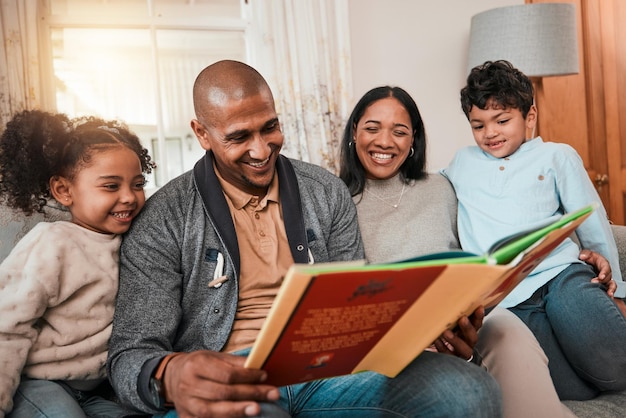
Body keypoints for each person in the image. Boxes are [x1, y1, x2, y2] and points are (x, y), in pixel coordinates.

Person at [106, 59, 503, 418]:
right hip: (233, 381)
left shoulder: (327, 192)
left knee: (470, 391)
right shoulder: (163, 219)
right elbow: (128, 355)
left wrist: (426, 329)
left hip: (330, 373)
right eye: (239, 137)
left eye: (270, 128)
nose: (262, 150)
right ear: (202, 133)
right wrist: (169, 374)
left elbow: (356, 316)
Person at [338, 85, 613, 417]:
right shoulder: (335, 202)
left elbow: (500, 213)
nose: (384, 141)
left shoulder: (442, 186)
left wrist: (588, 249)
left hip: (470, 318)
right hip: (399, 338)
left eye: (399, 131)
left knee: (505, 326)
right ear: (354, 131)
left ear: (414, 140)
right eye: (372, 128)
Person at [442, 60, 626, 400]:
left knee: (617, 370)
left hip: (562, 277)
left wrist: (617, 287)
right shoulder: (462, 162)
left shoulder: (556, 156)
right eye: (478, 125)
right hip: (509, 302)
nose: (490, 133)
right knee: (572, 392)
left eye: (502, 120)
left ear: (529, 117)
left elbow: (592, 219)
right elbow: (427, 188)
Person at [0, 110, 154, 417]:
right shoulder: (52, 243)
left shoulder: (135, 241)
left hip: (94, 391)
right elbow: (7, 327)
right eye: (111, 186)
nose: (129, 197)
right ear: (64, 191)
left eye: (137, 184)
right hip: (38, 383)